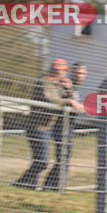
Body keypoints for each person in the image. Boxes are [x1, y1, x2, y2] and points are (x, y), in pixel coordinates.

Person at [13, 59, 81, 190]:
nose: (65, 74)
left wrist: (69, 88)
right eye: (63, 71)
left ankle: (26, 187)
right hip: (37, 127)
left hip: (49, 127)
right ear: (56, 70)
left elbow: (72, 99)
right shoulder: (44, 82)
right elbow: (50, 99)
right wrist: (68, 101)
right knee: (42, 162)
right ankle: (19, 185)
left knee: (40, 161)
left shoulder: (59, 84)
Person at [43, 62, 87, 190]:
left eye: (83, 73)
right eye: (78, 73)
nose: (80, 76)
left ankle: (54, 187)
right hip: (61, 126)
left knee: (64, 159)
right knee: (63, 159)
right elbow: (62, 100)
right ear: (72, 72)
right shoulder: (66, 83)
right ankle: (51, 187)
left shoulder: (75, 86)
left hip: (69, 127)